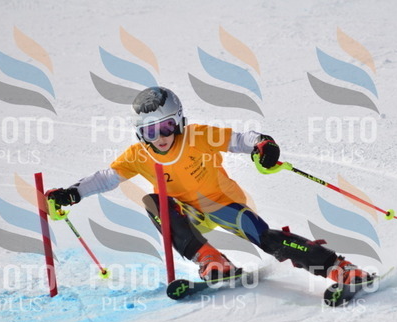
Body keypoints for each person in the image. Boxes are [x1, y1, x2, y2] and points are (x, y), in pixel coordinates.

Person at [46, 86, 371, 287]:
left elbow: (240, 139)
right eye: (150, 132)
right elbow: (106, 177)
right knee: (153, 201)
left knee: (267, 238)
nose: (161, 137)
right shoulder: (138, 155)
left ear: (179, 121)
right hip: (186, 214)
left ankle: (339, 268)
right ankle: (212, 261)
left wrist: (263, 145)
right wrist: (72, 193)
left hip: (223, 204)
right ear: (140, 134)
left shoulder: (197, 136)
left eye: (167, 126)